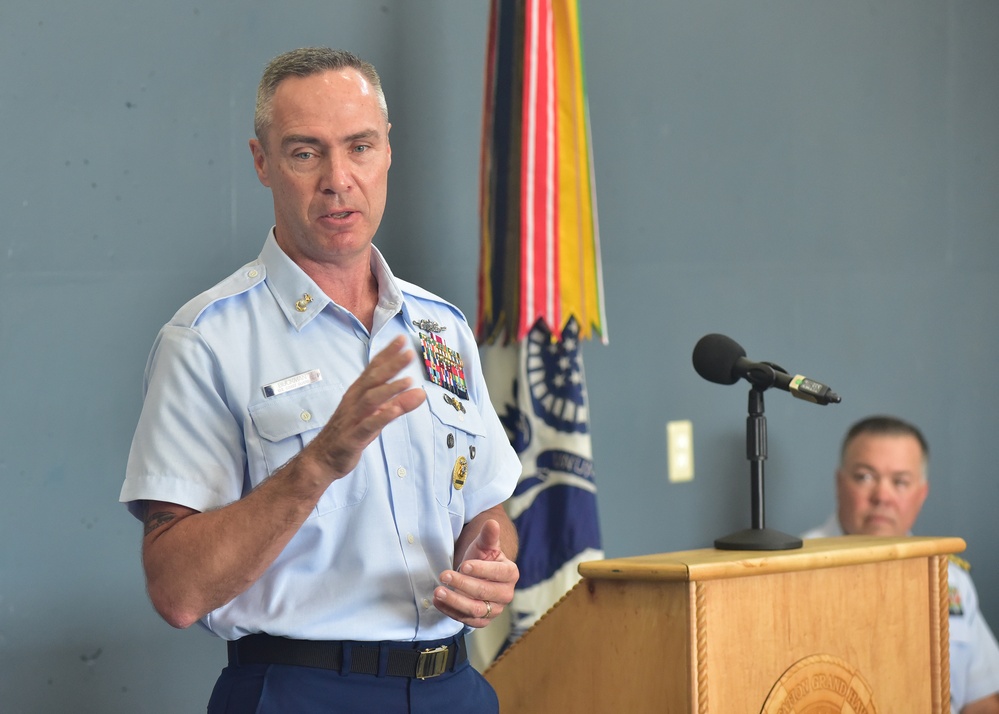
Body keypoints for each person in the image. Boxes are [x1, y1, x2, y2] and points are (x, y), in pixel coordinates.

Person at [119, 47, 522, 713]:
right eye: (306, 153)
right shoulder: (206, 342)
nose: (339, 178)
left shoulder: (440, 329)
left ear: (387, 151)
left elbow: (488, 510)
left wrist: (491, 560)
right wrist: (317, 465)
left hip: (454, 687)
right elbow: (176, 591)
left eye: (359, 146)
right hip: (298, 690)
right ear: (262, 162)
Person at [802, 415, 999, 714]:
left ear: (921, 494)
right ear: (839, 483)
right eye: (864, 477)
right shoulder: (790, 573)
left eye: (900, 482)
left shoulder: (950, 579)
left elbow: (982, 700)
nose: (882, 496)